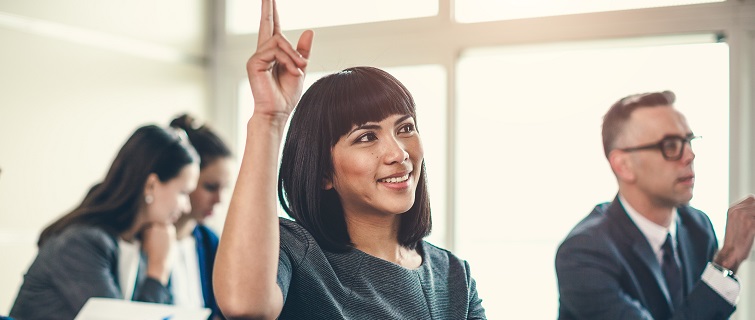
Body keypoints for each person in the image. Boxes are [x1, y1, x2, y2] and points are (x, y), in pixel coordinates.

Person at [213, 1, 486, 319]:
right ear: (323, 173)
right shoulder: (296, 252)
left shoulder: (454, 275)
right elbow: (244, 305)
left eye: (406, 128)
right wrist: (268, 118)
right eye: (367, 137)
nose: (399, 153)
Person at [555, 91, 755, 319]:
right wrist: (725, 262)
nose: (689, 155)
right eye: (670, 145)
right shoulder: (582, 254)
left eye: (688, 141)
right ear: (623, 165)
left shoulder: (698, 226)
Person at [10, 125, 199, 320]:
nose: (187, 208)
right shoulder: (80, 244)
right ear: (151, 185)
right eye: (183, 193)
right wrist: (158, 269)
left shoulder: (145, 241)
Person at [169, 114, 232, 320]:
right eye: (210, 187)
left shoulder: (210, 242)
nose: (219, 200)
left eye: (224, 188)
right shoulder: (139, 242)